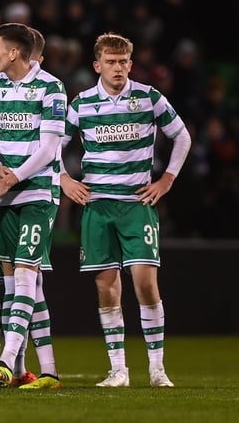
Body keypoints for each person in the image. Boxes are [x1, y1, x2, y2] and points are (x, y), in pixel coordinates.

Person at [61, 32, 190, 388]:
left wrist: (166, 180)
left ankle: (157, 368)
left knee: (146, 284)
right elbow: (52, 144)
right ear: (97, 65)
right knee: (107, 287)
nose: (117, 68)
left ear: (130, 65)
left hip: (137, 205)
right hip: (98, 206)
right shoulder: (82, 103)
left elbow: (182, 136)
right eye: (111, 62)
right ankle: (118, 370)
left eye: (123, 62)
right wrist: (63, 179)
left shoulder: (149, 97)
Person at [0, 22, 65, 388]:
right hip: (6, 193)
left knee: (25, 274)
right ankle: (50, 372)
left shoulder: (51, 87)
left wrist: (10, 179)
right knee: (27, 283)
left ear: (14, 52)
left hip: (38, 194)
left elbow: (48, 149)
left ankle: (6, 360)